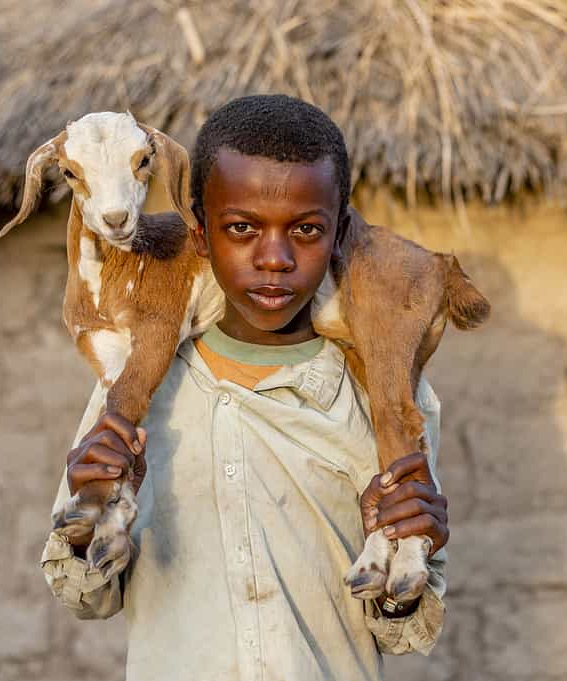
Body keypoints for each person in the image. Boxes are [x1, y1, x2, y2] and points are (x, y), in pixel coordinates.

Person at [41, 94, 450, 681]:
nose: (275, 258)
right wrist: (90, 508)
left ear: (340, 234)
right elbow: (83, 596)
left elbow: (403, 631)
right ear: (201, 236)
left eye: (306, 229)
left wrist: (406, 543)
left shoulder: (391, 409)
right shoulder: (134, 398)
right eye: (241, 229)